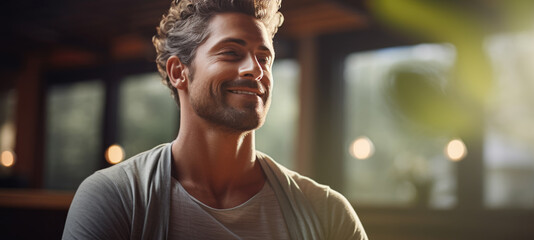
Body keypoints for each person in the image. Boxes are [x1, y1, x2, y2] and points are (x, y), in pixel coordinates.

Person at [62, 0, 368, 239]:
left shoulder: (328, 212)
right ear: (178, 72)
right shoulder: (115, 198)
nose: (255, 70)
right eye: (231, 53)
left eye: (264, 58)